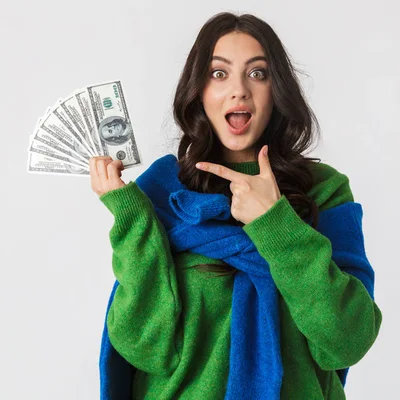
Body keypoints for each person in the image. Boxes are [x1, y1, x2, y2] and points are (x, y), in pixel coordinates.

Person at [89, 12, 382, 400]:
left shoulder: (324, 191)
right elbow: (144, 348)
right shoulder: (162, 191)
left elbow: (348, 340)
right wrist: (132, 219)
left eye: (258, 73)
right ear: (199, 90)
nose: (239, 90)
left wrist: (275, 225)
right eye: (219, 73)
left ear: (277, 90)